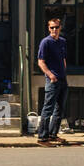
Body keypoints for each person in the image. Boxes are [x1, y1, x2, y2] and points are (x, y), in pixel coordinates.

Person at [35, 17, 68, 147]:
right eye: (51, 27)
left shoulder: (62, 42)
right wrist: (50, 75)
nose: (54, 29)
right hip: (52, 80)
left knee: (59, 109)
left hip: (62, 79)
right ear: (48, 28)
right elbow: (40, 62)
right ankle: (42, 138)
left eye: (56, 27)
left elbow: (63, 59)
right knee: (48, 109)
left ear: (60, 28)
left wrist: (63, 73)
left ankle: (53, 134)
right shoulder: (45, 42)